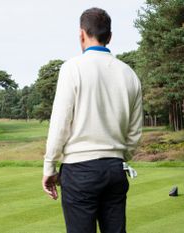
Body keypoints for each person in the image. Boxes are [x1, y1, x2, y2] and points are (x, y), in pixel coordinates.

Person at [42, 8, 143, 233]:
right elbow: (135, 133)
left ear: (82, 34)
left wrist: (50, 165)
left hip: (79, 171)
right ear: (110, 36)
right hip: (115, 169)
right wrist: (117, 158)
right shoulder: (129, 74)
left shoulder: (72, 69)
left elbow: (60, 124)